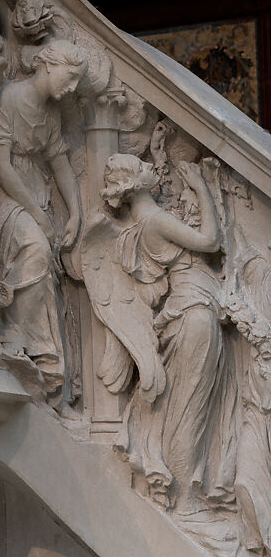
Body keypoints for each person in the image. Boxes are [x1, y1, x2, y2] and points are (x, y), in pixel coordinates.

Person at [99, 154, 237, 512]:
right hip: (193, 314)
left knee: (185, 409)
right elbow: (209, 240)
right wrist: (200, 186)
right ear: (135, 182)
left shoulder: (141, 224)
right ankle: (186, 499)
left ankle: (185, 492)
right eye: (143, 166)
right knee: (188, 410)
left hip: (190, 313)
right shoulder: (156, 221)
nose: (151, 168)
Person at [0, 39, 87, 397]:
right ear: (48, 65)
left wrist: (74, 212)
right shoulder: (9, 98)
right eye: (70, 77)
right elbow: (0, 165)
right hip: (7, 197)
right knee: (36, 250)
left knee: (45, 270)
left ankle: (40, 350)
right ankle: (9, 334)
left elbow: (60, 164)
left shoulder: (51, 114)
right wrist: (37, 215)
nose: (72, 87)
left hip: (35, 195)